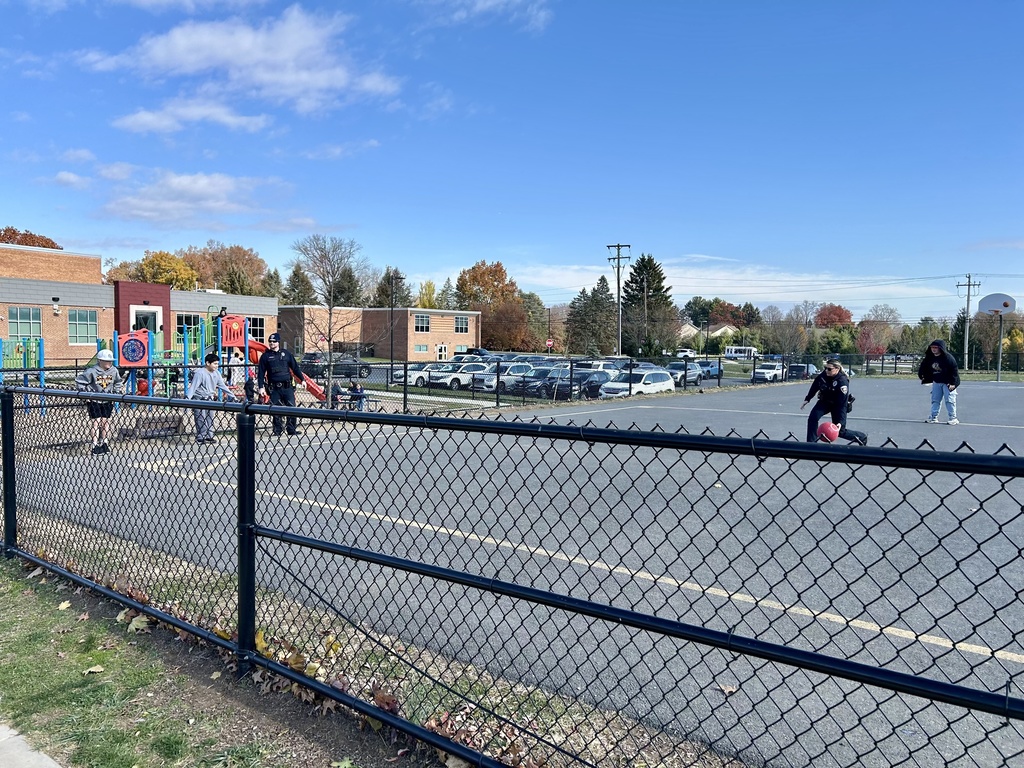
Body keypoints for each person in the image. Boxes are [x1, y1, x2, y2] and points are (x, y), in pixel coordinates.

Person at [800, 359, 868, 446]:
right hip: (825, 402)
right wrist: (808, 398)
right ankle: (811, 445)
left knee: (840, 432)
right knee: (813, 418)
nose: (826, 370)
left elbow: (842, 404)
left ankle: (861, 437)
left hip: (837, 405)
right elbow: (816, 384)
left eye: (829, 369)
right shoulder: (824, 374)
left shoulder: (842, 382)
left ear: (837, 369)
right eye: (825, 368)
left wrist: (841, 422)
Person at [75, 348, 125, 455]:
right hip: (94, 400)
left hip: (107, 400)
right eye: (106, 361)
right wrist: (85, 394)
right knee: (96, 422)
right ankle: (94, 444)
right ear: (100, 361)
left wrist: (116, 392)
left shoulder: (114, 371)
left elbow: (118, 382)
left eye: (110, 361)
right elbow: (80, 381)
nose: (109, 363)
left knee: (105, 422)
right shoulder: (92, 371)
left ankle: (104, 442)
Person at [256, 333, 303, 436]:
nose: (272, 343)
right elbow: (260, 373)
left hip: (287, 387)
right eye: (270, 342)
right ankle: (277, 430)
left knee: (291, 408)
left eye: (274, 341)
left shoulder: (286, 354)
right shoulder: (266, 356)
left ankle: (291, 429)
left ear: (278, 342)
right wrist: (261, 387)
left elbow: (295, 368)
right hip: (275, 388)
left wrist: (302, 380)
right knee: (276, 409)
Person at [187, 353, 238, 444]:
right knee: (200, 417)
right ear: (208, 363)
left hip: (209, 399)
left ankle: (209, 436)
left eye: (217, 364)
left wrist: (232, 396)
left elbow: (222, 386)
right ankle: (201, 436)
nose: (216, 366)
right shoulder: (200, 373)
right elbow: (193, 386)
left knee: (210, 417)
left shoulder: (217, 373)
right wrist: (187, 399)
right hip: (199, 399)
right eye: (214, 364)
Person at [917, 339, 960, 424]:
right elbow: (923, 367)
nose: (933, 349)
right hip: (937, 382)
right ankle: (933, 417)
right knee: (935, 400)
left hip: (948, 382)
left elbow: (954, 370)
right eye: (932, 347)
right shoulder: (930, 358)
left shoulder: (948, 358)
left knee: (950, 400)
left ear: (940, 348)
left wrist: (953, 383)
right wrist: (921, 375)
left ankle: (953, 418)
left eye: (935, 347)